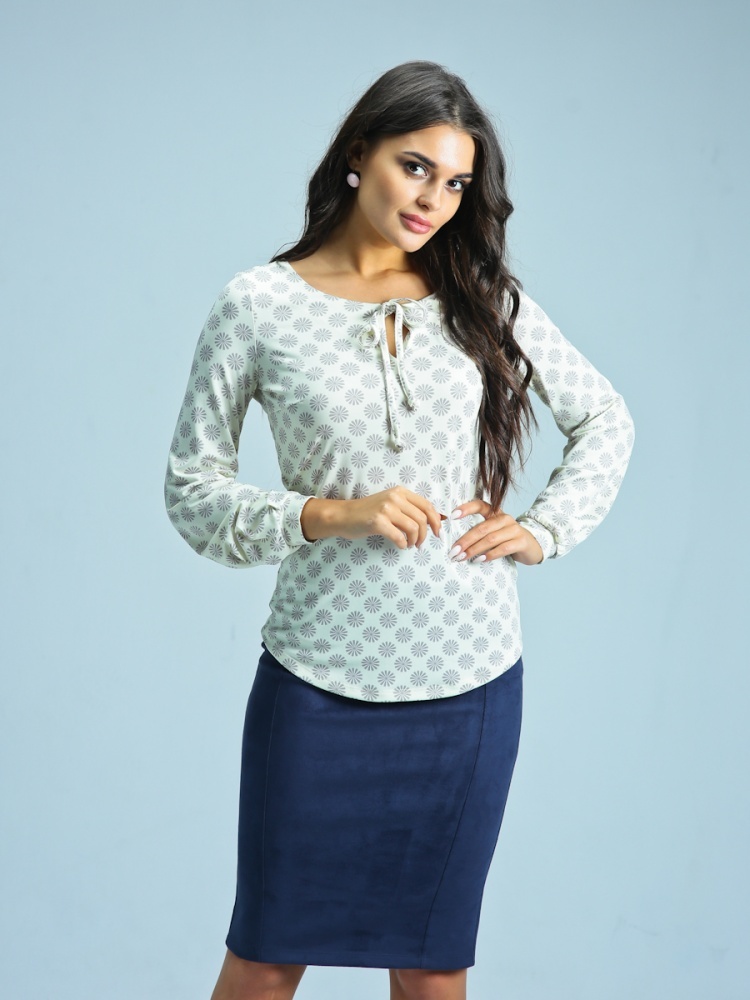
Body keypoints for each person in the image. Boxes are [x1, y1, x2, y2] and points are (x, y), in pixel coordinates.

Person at [164, 60, 635, 1000]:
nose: (433, 199)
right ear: (357, 154)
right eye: (415, 167)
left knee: (432, 969)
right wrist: (329, 514)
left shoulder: (481, 295)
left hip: (470, 680)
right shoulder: (257, 305)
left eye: (455, 182)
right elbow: (192, 493)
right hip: (316, 677)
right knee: (265, 961)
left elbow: (605, 420)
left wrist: (543, 530)